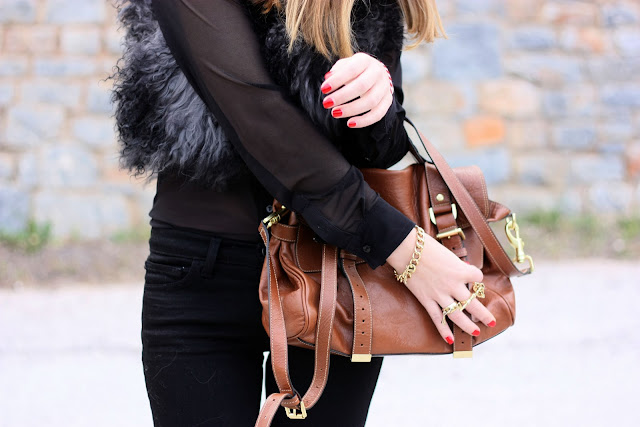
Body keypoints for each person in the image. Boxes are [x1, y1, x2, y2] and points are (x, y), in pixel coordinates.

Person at [112, 0, 497, 425]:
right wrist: (407, 250)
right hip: (203, 280)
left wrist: (375, 99)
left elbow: (380, 152)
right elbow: (258, 117)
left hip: (337, 275)